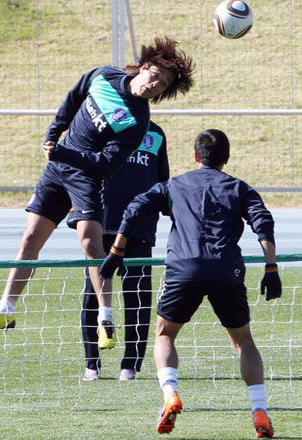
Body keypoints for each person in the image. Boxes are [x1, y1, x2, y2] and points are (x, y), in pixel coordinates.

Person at [0, 37, 195, 351]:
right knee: (30, 238)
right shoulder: (103, 76)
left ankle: (106, 319)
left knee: (91, 243)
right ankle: (5, 310)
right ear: (145, 67)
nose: (156, 84)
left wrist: (63, 154)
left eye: (163, 85)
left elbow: (107, 163)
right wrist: (53, 135)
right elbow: (73, 98)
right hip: (57, 170)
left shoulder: (137, 122)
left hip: (86, 178)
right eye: (156, 75)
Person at [99, 129, 282, 437]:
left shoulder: (174, 185)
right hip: (227, 270)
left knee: (165, 334)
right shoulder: (239, 188)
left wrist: (117, 249)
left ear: (196, 156)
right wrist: (271, 267)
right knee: (243, 342)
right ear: (227, 158)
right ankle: (259, 409)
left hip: (183, 269)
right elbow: (262, 221)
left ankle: (170, 394)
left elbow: (134, 208)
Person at [67, 119, 169, 381]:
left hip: (140, 228)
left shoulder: (156, 133)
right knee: (94, 296)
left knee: (138, 298)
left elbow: (162, 181)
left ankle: (131, 364)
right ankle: (92, 363)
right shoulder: (100, 127)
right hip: (101, 223)